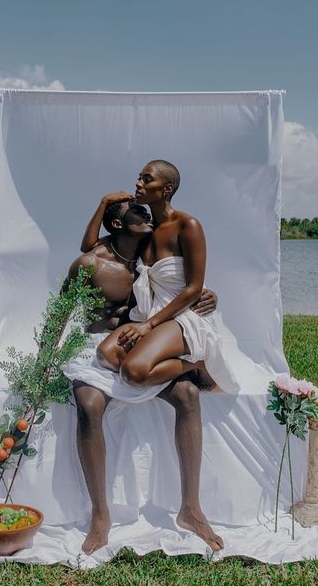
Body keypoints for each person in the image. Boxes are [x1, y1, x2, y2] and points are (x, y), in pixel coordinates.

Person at [63, 193, 224, 554]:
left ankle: (191, 508)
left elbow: (181, 280)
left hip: (142, 337)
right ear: (119, 224)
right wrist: (103, 202)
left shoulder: (147, 246)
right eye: (136, 210)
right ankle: (100, 514)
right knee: (89, 404)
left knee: (187, 394)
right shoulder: (91, 261)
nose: (144, 212)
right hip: (100, 343)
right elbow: (65, 297)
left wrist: (208, 295)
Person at [96, 160, 228, 391]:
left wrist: (147, 326)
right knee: (106, 355)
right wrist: (105, 202)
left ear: (166, 189)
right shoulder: (145, 231)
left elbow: (194, 288)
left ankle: (197, 365)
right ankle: (168, 367)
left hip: (182, 315)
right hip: (152, 312)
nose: (138, 184)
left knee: (133, 372)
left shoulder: (188, 225)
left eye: (147, 179)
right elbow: (90, 244)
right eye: (139, 178)